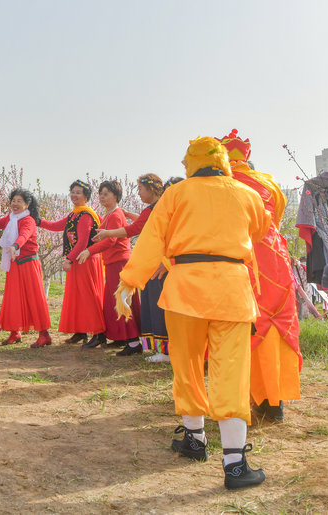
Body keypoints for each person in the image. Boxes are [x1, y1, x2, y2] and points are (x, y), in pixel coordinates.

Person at [115, 136, 271, 490]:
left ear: (190, 163)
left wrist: (129, 280)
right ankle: (234, 463)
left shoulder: (176, 193)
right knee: (231, 372)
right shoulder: (245, 194)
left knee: (186, 366)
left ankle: (194, 439)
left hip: (185, 290)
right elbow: (260, 228)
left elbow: (153, 238)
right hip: (232, 290)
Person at [220, 129, 302, 422]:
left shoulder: (223, 184)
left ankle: (249, 396)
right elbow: (275, 219)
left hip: (242, 257)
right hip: (275, 257)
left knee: (246, 323)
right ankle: (275, 400)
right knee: (277, 324)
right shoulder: (268, 182)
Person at [94, 174, 169, 360]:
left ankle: (158, 348)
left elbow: (133, 229)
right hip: (157, 262)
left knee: (155, 305)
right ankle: (157, 347)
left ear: (151, 190)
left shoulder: (154, 209)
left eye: (141, 190)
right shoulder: (158, 208)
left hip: (156, 262)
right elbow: (143, 223)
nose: (139, 194)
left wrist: (106, 233)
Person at [38, 180, 106, 348]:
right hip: (78, 260)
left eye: (78, 192)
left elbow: (83, 242)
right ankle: (81, 330)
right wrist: (38, 221)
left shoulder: (86, 215)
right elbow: (56, 226)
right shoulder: (74, 214)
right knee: (78, 296)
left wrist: (68, 259)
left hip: (86, 260)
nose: (74, 195)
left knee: (89, 296)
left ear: (86, 196)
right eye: (72, 192)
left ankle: (99, 333)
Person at [77, 180, 141, 349]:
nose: (102, 197)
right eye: (101, 194)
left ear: (116, 196)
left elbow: (111, 240)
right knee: (114, 302)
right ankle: (121, 337)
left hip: (120, 262)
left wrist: (89, 250)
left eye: (106, 194)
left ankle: (133, 342)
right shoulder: (109, 215)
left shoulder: (116, 215)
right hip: (113, 263)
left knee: (122, 300)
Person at [0, 188, 52, 348]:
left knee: (34, 298)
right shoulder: (11, 218)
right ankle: (15, 332)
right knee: (13, 298)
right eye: (13, 201)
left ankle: (44, 334)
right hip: (14, 264)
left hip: (28, 263)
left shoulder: (28, 220)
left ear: (27, 204)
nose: (15, 204)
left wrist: (15, 245)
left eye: (19, 201)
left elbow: (25, 235)